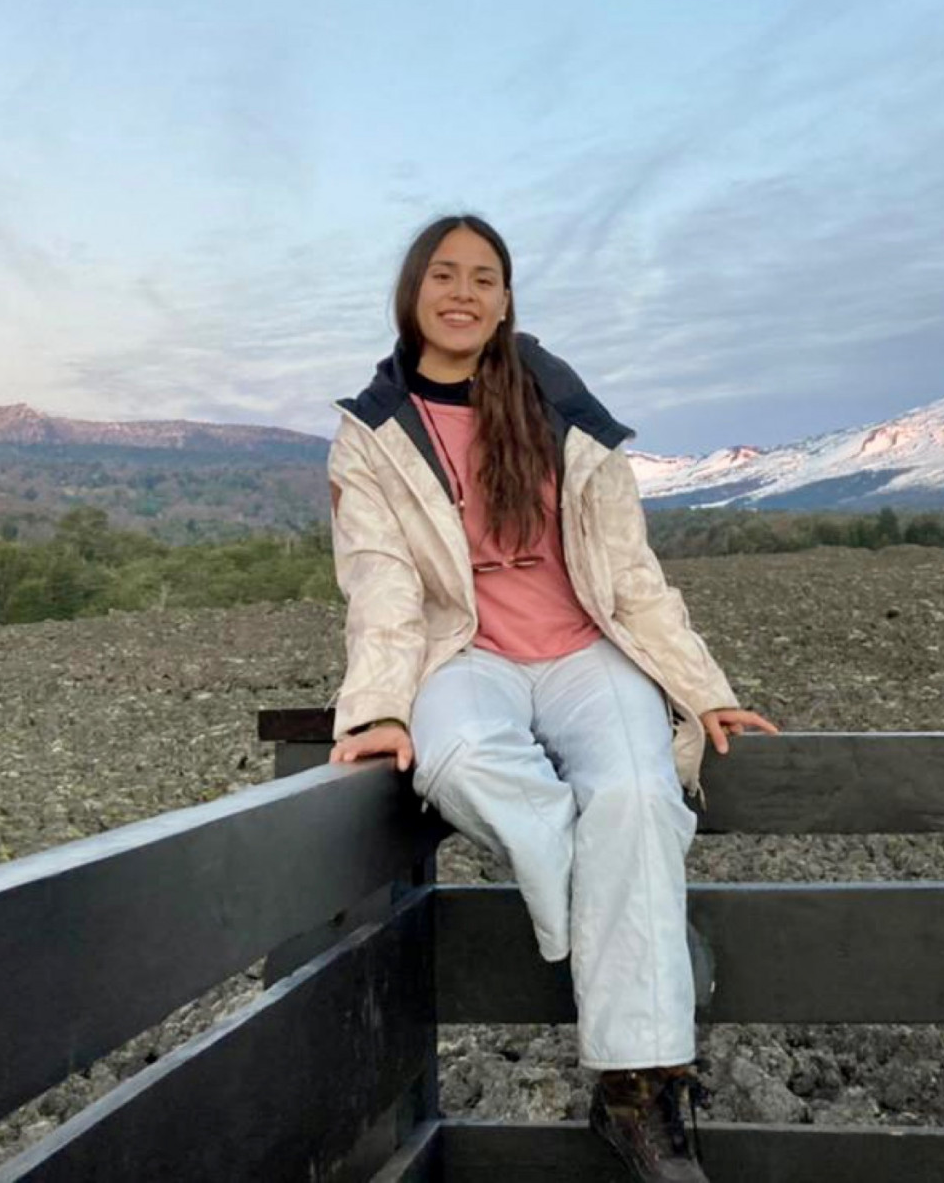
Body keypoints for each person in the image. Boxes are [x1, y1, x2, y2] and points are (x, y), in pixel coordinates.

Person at [325, 213, 779, 1183]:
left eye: (483, 277)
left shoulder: (564, 413)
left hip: (586, 651)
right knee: (459, 758)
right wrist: (378, 708)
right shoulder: (372, 433)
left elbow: (631, 572)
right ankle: (636, 913)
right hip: (465, 652)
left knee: (637, 795)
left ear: (505, 299)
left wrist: (703, 689)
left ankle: (638, 1094)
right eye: (443, 274)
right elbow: (380, 580)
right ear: (411, 292)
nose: (462, 292)